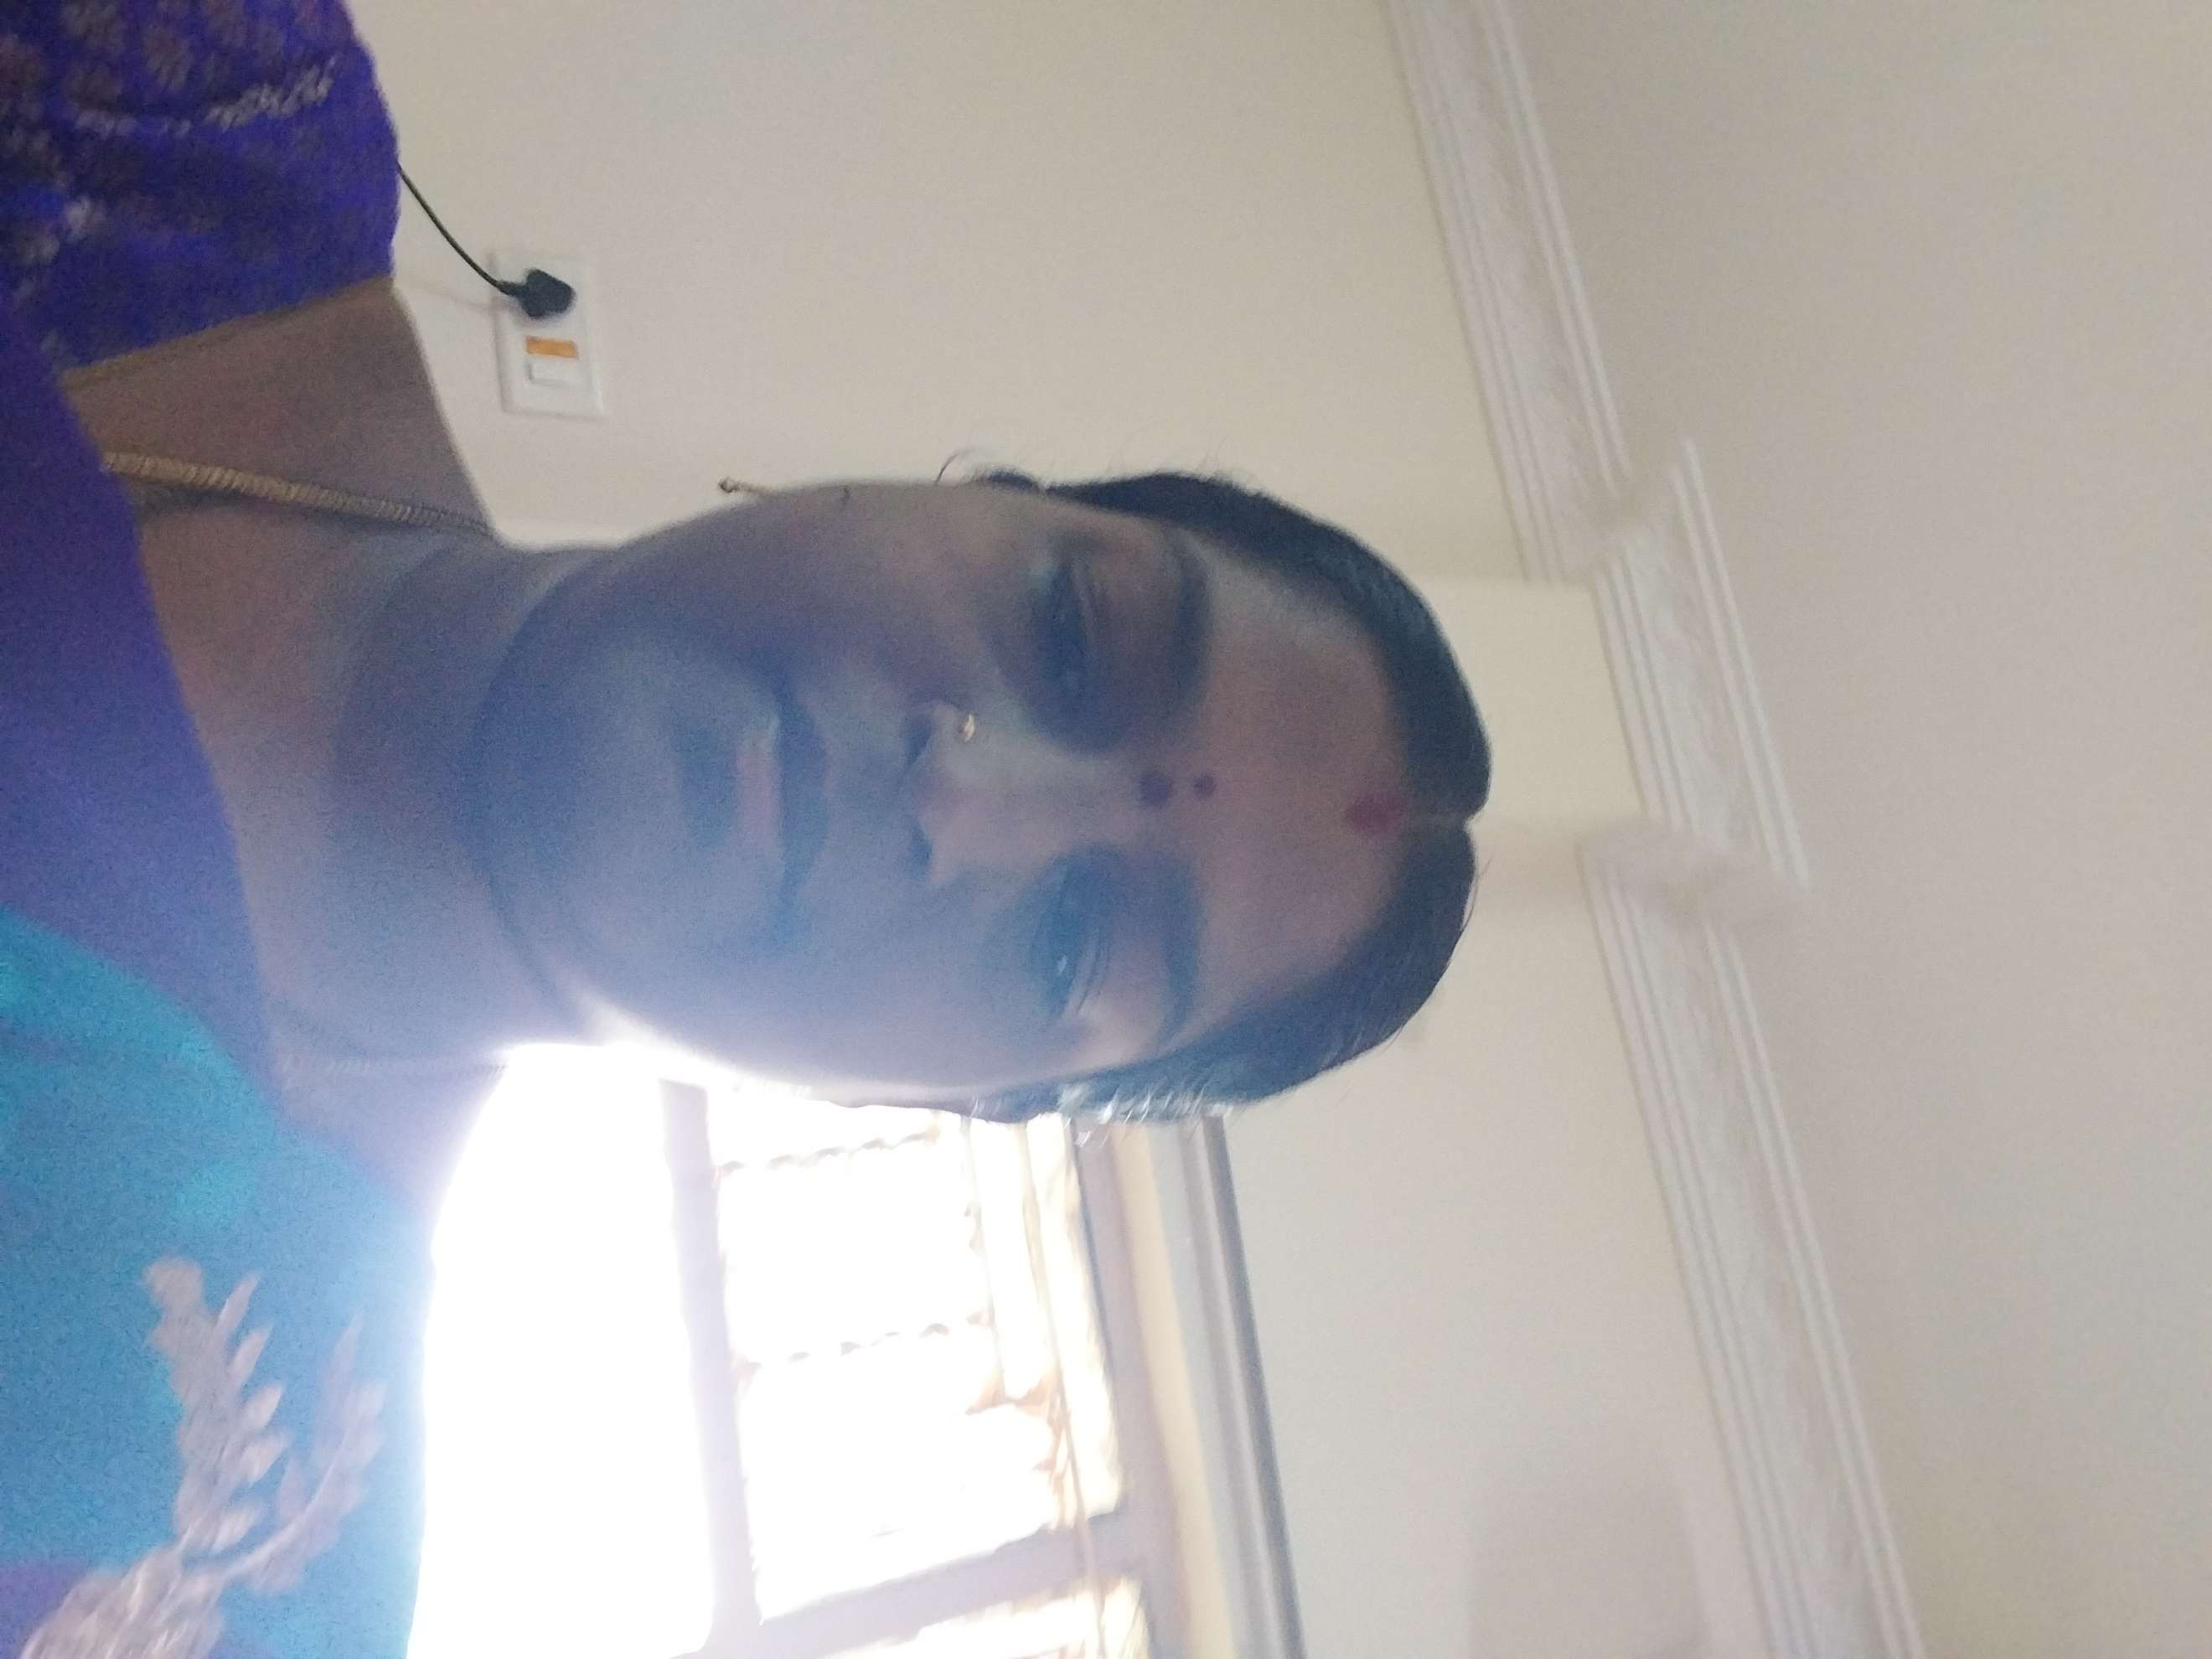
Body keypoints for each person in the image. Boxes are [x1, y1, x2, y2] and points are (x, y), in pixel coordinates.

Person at [1, 3, 1489, 1654]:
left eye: (1072, 940)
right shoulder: (176, 98)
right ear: (974, 491)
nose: (961, 804)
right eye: (1071, 634)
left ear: (949, 1102)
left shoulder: (238, 1541)